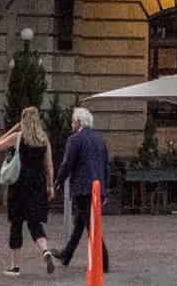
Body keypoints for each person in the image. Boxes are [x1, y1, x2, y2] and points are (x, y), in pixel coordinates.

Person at [0, 106, 58, 276]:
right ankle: (45, 251)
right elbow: (49, 165)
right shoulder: (44, 139)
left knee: (16, 224)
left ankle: (15, 266)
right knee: (35, 223)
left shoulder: (18, 137)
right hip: (38, 186)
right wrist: (50, 186)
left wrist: (13, 129)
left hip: (19, 186)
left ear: (23, 120)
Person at [53, 106, 112, 273]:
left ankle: (103, 261)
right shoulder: (100, 139)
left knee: (90, 226)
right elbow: (106, 166)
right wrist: (105, 189)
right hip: (98, 187)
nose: (71, 124)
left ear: (78, 122)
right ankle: (66, 254)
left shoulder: (75, 139)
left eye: (73, 121)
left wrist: (59, 180)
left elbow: (68, 163)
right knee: (80, 223)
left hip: (83, 188)